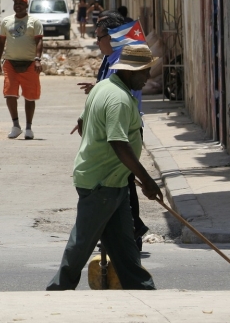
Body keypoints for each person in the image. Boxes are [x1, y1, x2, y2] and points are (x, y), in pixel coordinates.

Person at [47, 44, 163, 291]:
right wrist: (148, 181)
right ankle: (57, 290)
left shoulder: (102, 87)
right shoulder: (118, 99)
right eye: (146, 72)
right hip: (101, 185)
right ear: (132, 72)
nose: (149, 78)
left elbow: (83, 124)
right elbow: (118, 142)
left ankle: (142, 289)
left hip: (115, 182)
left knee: (124, 245)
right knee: (82, 244)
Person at [75, 11, 148, 248]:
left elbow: (121, 96)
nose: (97, 43)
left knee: (124, 183)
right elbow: (105, 90)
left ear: (113, 36)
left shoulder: (126, 62)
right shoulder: (110, 59)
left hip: (122, 129)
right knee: (116, 184)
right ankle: (122, 233)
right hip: (109, 128)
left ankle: (131, 232)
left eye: (100, 37)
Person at [0, 0, 43, 140]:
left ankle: (28, 128)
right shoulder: (6, 21)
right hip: (10, 63)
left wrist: (38, 59)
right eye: (15, 3)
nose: (18, 5)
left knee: (29, 97)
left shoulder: (34, 22)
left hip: (29, 63)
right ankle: (16, 126)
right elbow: (1, 43)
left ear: (26, 5)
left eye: (21, 3)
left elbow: (39, 42)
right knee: (9, 94)